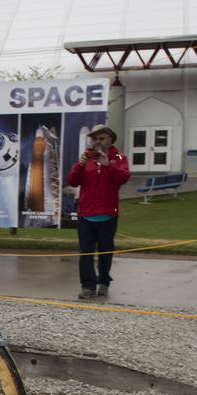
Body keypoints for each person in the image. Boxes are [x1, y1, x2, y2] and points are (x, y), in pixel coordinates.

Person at [67, 124, 130, 299]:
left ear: (110, 139)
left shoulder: (119, 157)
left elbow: (123, 178)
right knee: (85, 252)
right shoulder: (86, 157)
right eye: (94, 138)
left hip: (108, 214)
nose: (97, 142)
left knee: (105, 251)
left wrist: (108, 165)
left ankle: (104, 282)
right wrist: (79, 165)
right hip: (86, 214)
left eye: (101, 138)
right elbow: (72, 181)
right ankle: (87, 285)